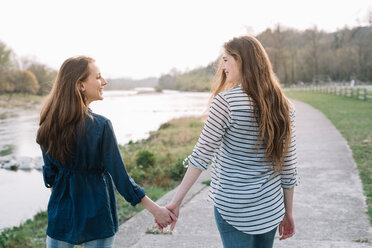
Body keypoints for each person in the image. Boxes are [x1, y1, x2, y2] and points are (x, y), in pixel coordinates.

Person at [165, 36, 298, 248]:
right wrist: (288, 211)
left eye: (226, 60)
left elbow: (201, 157)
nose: (223, 66)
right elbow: (288, 167)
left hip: (233, 209)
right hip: (270, 209)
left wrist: (176, 201)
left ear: (242, 60)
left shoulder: (225, 103)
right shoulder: (283, 105)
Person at [37, 56, 176, 248]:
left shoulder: (47, 124)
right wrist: (156, 211)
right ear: (81, 85)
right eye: (98, 77)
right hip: (98, 216)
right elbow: (121, 179)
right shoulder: (100, 125)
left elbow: (51, 178)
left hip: (60, 217)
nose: (104, 82)